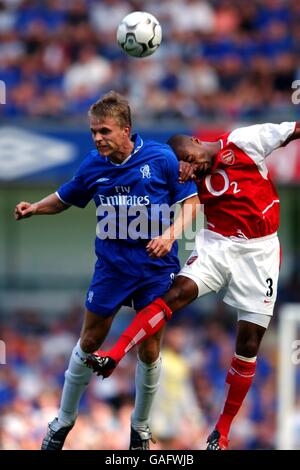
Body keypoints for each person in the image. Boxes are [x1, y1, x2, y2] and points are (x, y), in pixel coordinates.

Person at [84, 121, 300, 450]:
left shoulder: (243, 142)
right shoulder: (185, 176)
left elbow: (291, 131)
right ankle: (114, 354)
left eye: (190, 157)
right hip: (217, 243)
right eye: (184, 163)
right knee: (175, 294)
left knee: (250, 343)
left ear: (199, 142)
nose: (192, 166)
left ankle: (222, 431)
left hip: (260, 251)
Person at [14, 91, 199, 450]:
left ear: (126, 130)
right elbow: (65, 198)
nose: (98, 138)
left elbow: (190, 203)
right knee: (89, 341)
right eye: (93, 132)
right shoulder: (92, 165)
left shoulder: (160, 157)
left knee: (149, 349)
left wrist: (171, 234)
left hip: (155, 268)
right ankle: (63, 421)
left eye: (104, 131)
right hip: (112, 269)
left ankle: (141, 428)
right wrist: (35, 208)